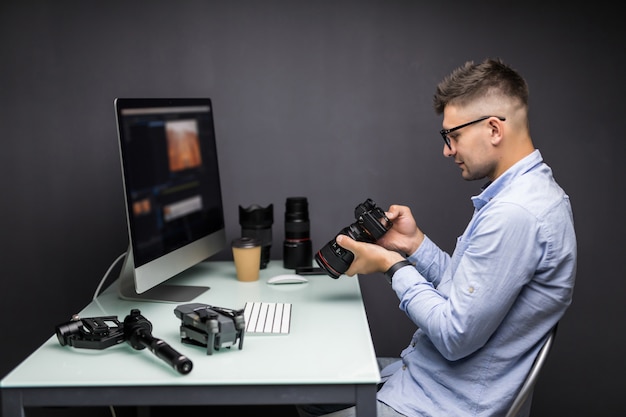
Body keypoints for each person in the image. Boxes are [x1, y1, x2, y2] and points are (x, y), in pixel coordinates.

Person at [297, 58, 577, 417]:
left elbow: (453, 335)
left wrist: (391, 266)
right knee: (308, 389)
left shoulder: (516, 213)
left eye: (454, 135)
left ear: (493, 129)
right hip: (423, 378)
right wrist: (413, 245)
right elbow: (469, 293)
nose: (447, 150)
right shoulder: (520, 196)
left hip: (438, 404)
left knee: (298, 386)